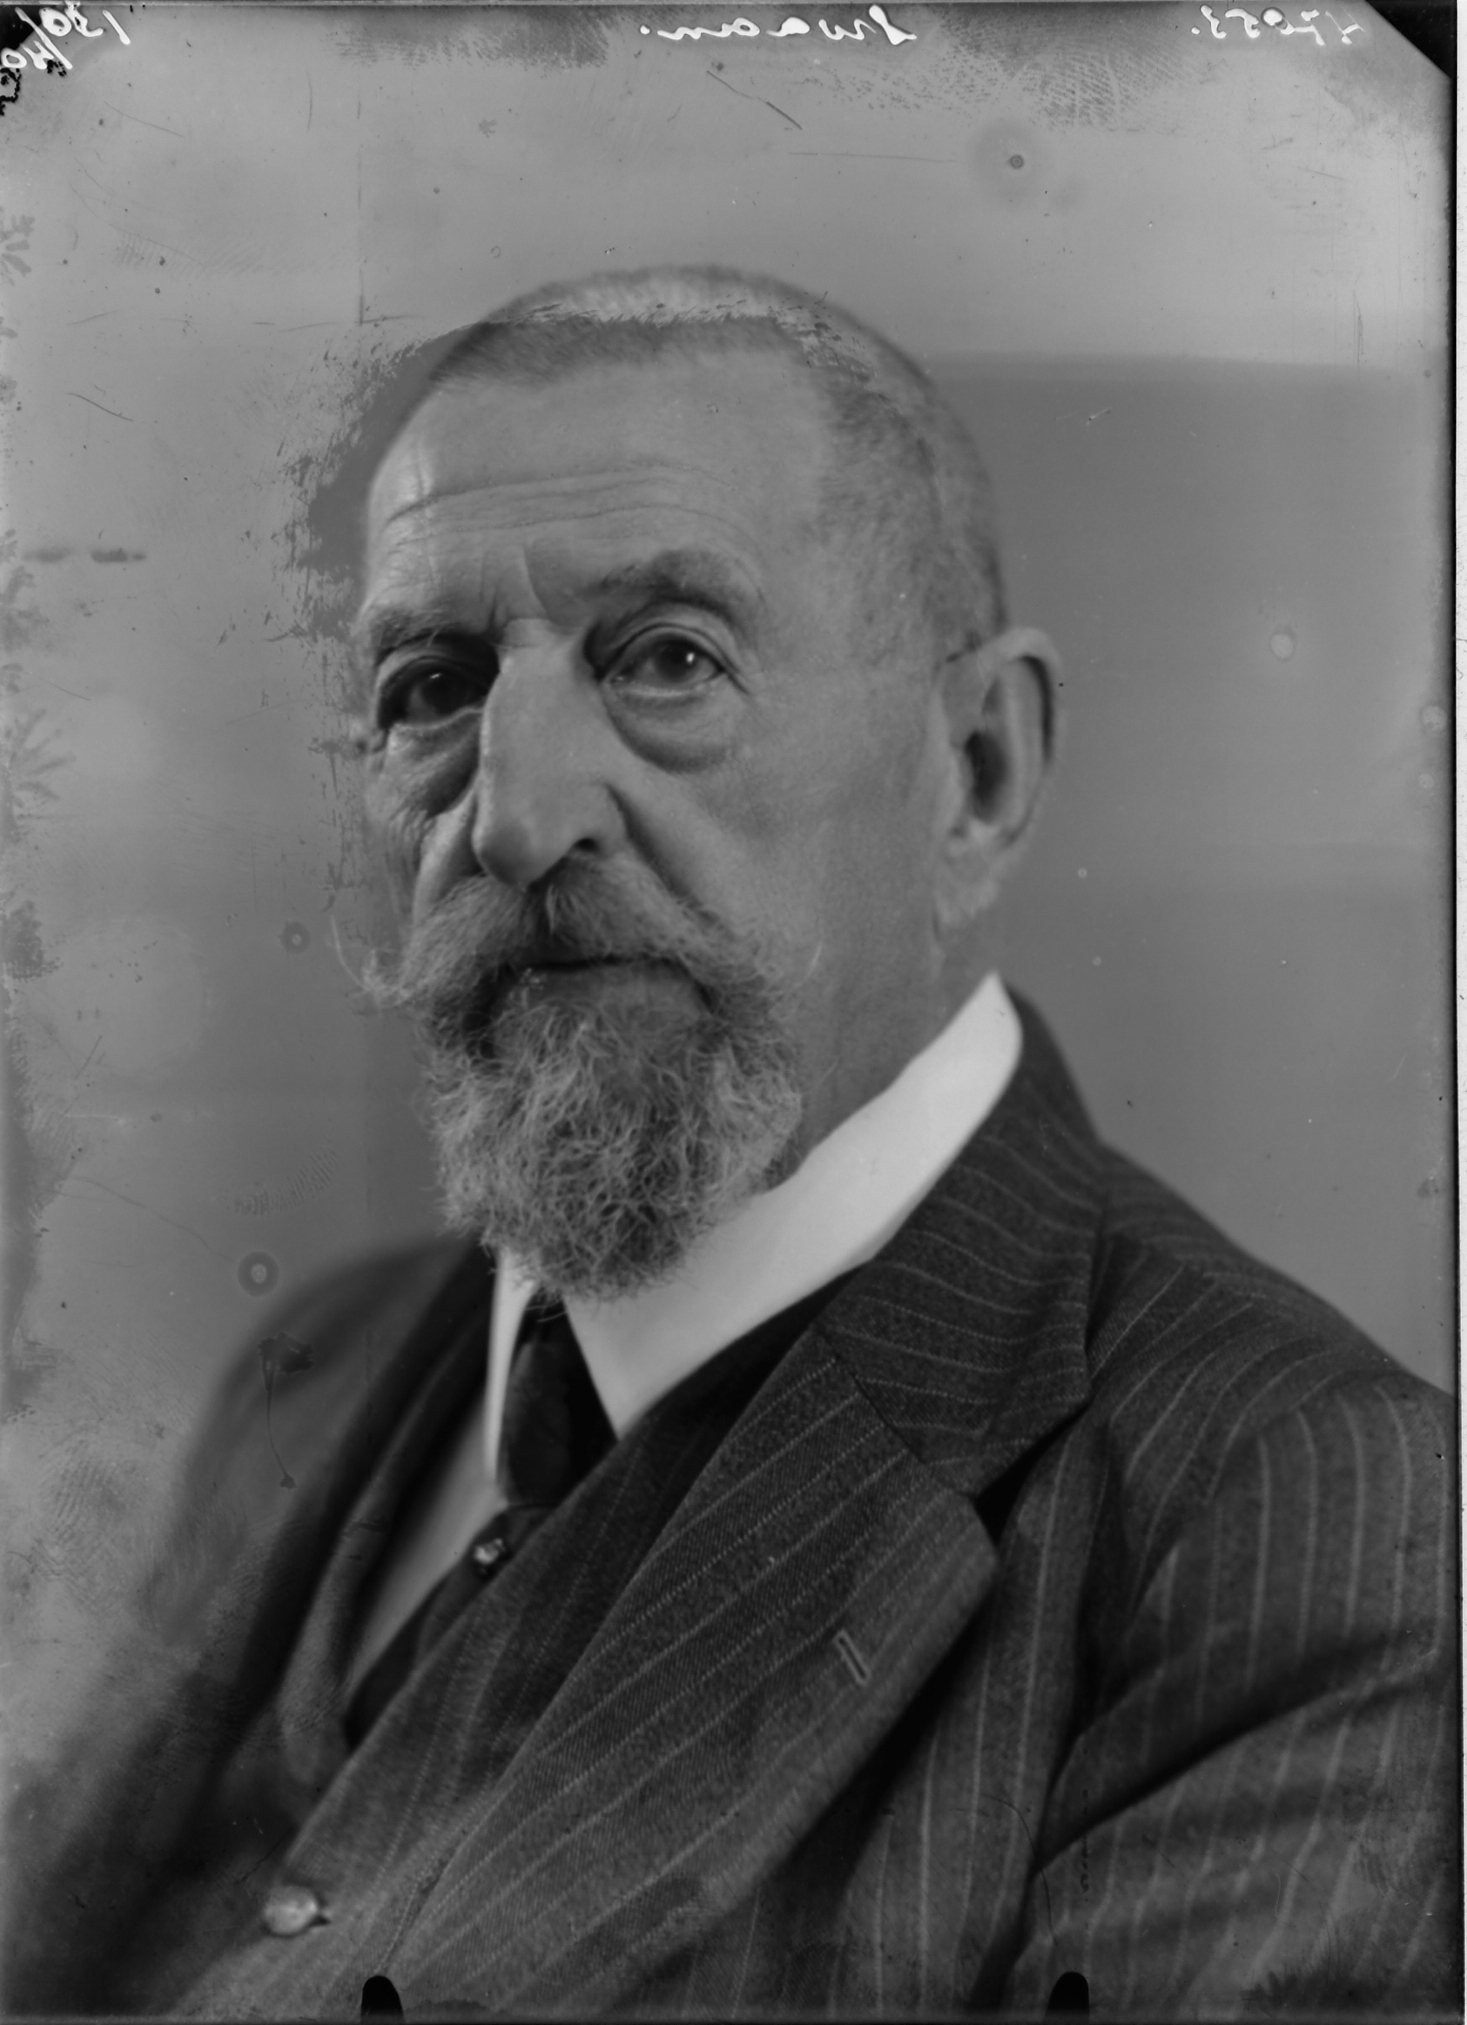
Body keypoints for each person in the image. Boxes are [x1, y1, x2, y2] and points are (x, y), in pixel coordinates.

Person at [6, 269, 1455, 2020]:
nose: (517, 817)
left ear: (978, 771)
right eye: (433, 683)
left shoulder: (1304, 1518)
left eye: (669, 660)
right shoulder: (309, 1372)